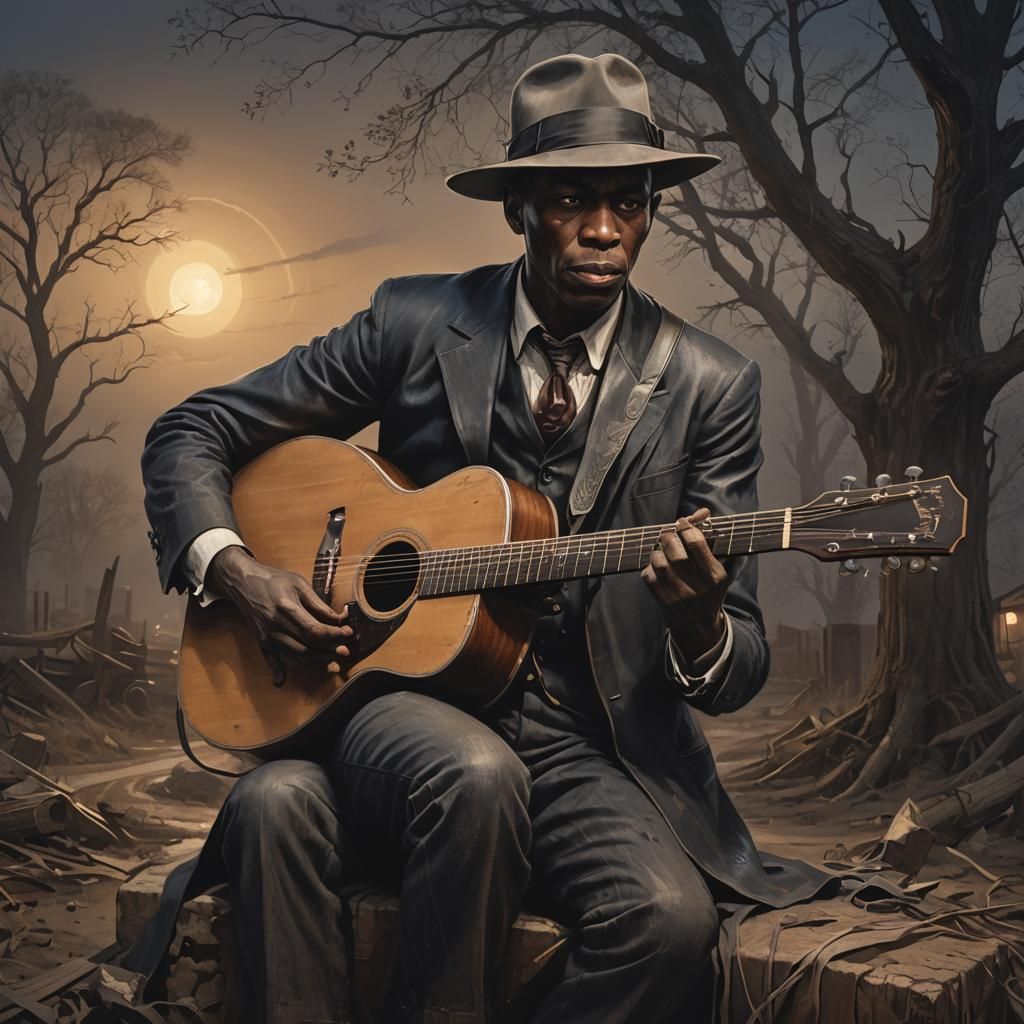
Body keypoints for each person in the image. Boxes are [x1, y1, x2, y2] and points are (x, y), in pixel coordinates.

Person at [133, 53, 834, 1024]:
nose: (601, 229)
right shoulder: (414, 322)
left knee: (668, 927)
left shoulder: (710, 384)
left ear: (650, 209)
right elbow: (190, 432)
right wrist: (240, 572)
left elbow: (741, 660)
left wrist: (701, 621)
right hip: (394, 699)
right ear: (518, 207)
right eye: (568, 201)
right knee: (468, 769)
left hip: (584, 743)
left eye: (626, 203)